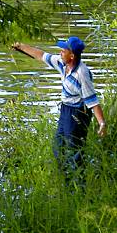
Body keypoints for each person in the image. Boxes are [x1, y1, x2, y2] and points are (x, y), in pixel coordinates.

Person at [12, 36, 106, 183]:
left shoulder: (82, 73)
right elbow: (41, 55)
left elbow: (93, 102)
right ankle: (65, 181)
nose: (60, 52)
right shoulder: (62, 64)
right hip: (66, 110)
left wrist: (102, 123)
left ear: (72, 55)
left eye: (64, 50)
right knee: (58, 147)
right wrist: (21, 46)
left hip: (78, 114)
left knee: (75, 151)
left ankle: (79, 185)